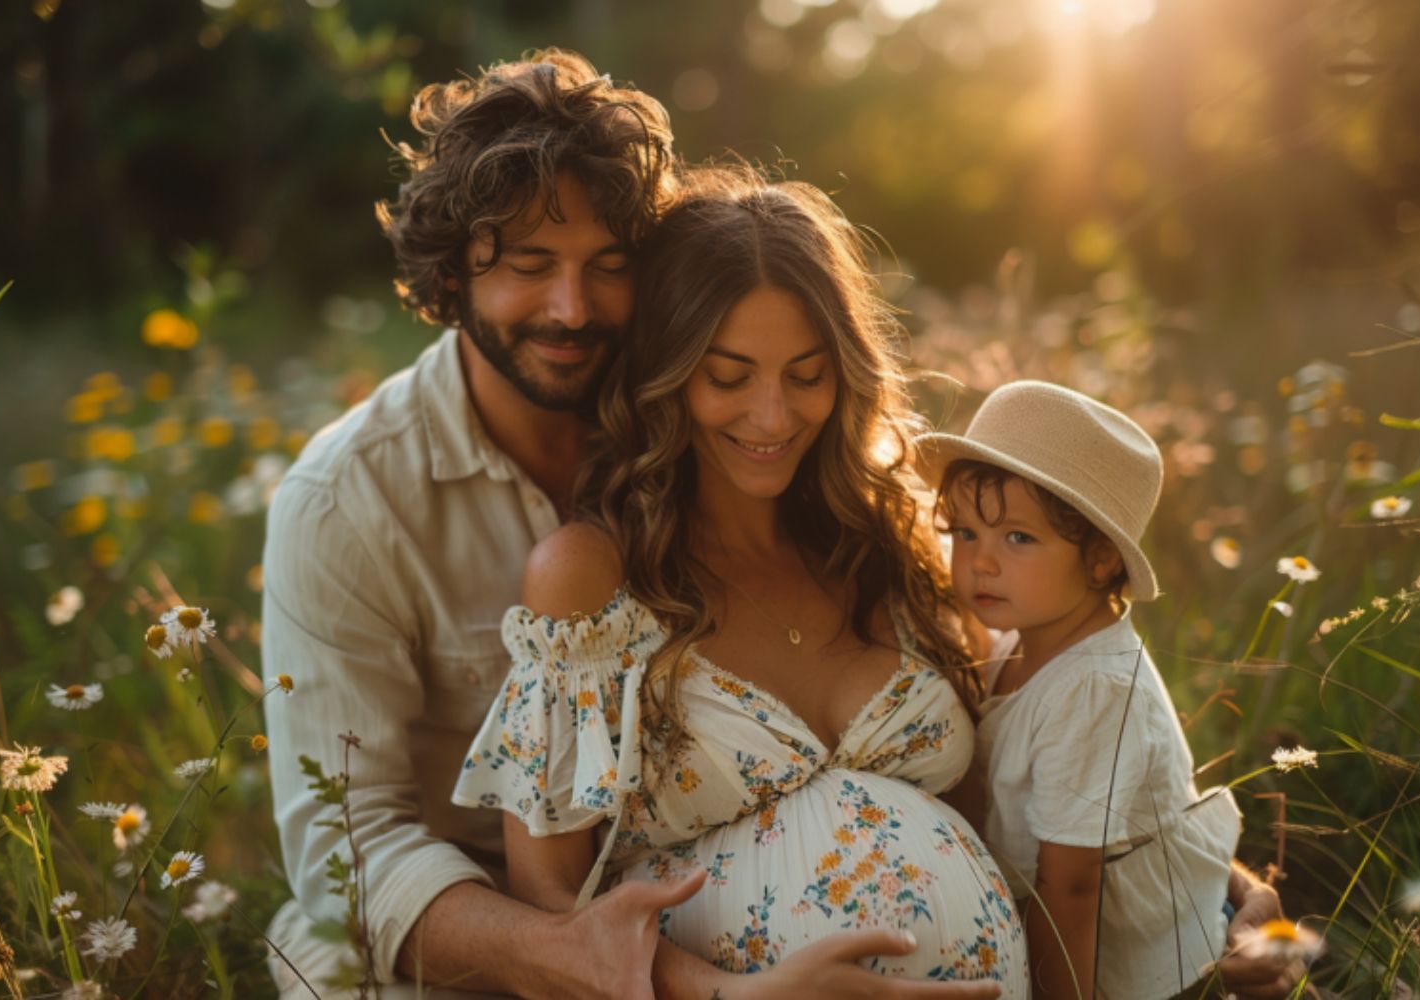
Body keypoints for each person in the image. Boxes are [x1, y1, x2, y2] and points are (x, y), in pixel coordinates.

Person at [263, 45, 1301, 1000]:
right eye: (528, 262)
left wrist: (1197, 879)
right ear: (453, 273)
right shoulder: (356, 505)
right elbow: (353, 850)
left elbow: (1030, 729)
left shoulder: (865, 522)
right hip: (528, 960)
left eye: (607, 265)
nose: (573, 307)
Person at [454, 168, 1032, 992]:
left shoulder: (891, 542)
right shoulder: (591, 582)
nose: (773, 416)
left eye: (806, 375)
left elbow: (1027, 777)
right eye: (728, 377)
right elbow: (547, 894)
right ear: (666, 372)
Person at [918, 380, 1273, 999]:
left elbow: (1072, 886)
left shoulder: (1095, 688)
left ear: (1104, 560)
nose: (980, 561)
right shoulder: (1018, 637)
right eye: (965, 532)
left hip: (1144, 966)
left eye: (1018, 538)